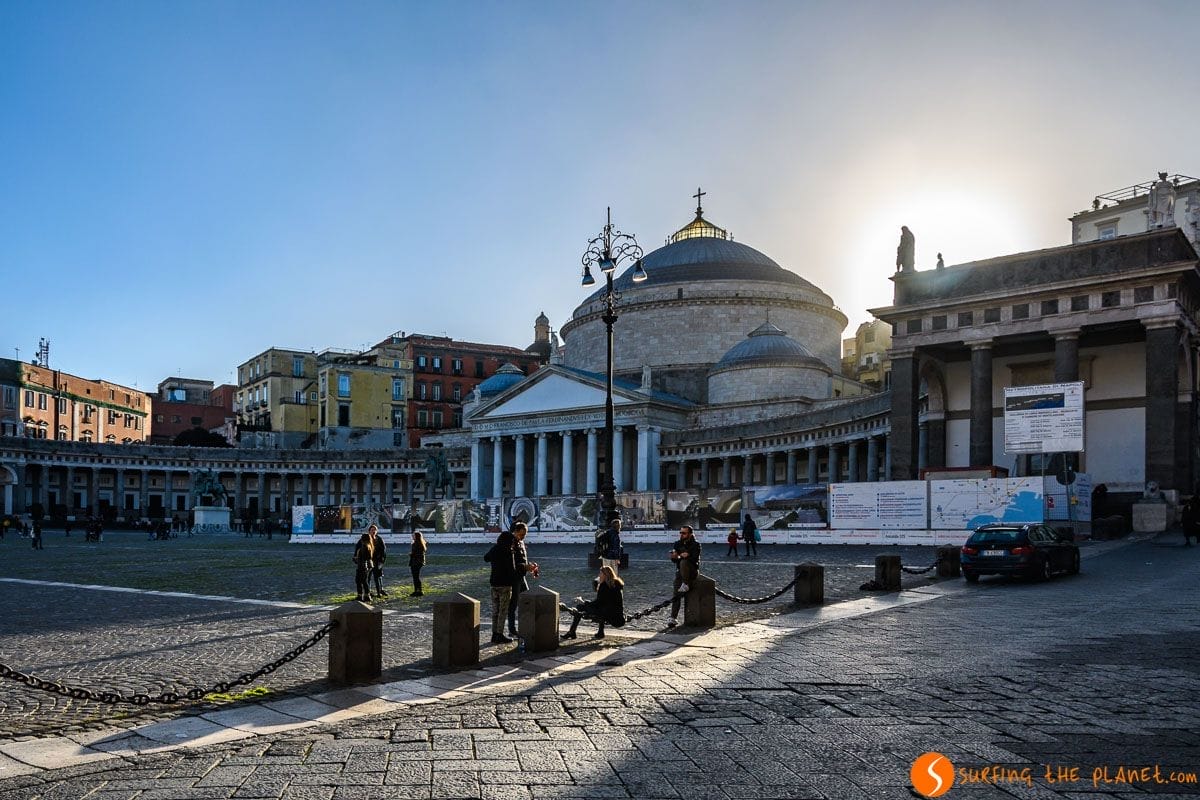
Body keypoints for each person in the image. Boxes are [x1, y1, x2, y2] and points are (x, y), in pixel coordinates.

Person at [562, 565, 625, 640]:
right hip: (617, 615)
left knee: (579, 607)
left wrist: (582, 602)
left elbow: (598, 603)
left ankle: (572, 632)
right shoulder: (617, 584)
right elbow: (604, 602)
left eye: (600, 573)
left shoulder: (604, 586)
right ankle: (600, 632)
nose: (599, 575)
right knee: (597, 606)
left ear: (605, 575)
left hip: (608, 615)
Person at [484, 530, 517, 644]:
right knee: (503, 611)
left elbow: (486, 558)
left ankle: (494, 634)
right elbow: (512, 570)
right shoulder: (508, 551)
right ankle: (500, 634)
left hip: (494, 583)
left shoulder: (495, 549)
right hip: (505, 585)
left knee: (495, 611)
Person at [507, 522, 539, 638]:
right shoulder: (511, 543)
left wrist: (530, 566)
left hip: (521, 576)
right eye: (521, 534)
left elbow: (522, 561)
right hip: (514, 577)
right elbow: (512, 563)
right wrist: (526, 566)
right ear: (515, 531)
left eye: (525, 535)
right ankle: (512, 630)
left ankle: (525, 624)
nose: (523, 537)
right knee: (513, 604)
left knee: (527, 599)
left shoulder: (520, 542)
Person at [667, 525, 701, 628]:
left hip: (692, 571)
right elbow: (676, 559)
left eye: (684, 533)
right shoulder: (677, 544)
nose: (682, 535)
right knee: (676, 594)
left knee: (684, 562)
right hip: (680, 573)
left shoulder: (696, 544)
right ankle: (673, 618)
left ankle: (686, 583)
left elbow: (695, 558)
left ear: (690, 534)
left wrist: (687, 555)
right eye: (681, 532)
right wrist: (674, 556)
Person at [352, 532, 375, 602]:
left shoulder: (364, 547)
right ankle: (366, 595)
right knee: (364, 581)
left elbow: (362, 558)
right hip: (367, 566)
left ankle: (360, 595)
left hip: (362, 566)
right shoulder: (369, 546)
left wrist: (355, 559)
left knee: (359, 581)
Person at [368, 525, 387, 597]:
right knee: (368, 577)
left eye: (375, 530)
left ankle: (380, 590)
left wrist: (382, 561)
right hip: (369, 561)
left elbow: (384, 551)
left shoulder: (379, 539)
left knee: (378, 576)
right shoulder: (366, 539)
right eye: (372, 530)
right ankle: (368, 591)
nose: (373, 531)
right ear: (369, 531)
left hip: (377, 561)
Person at [409, 529, 427, 596]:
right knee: (416, 577)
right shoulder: (420, 543)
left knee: (416, 577)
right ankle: (417, 590)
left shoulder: (416, 544)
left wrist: (411, 554)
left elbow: (417, 554)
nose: (412, 536)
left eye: (413, 535)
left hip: (416, 562)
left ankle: (418, 591)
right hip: (418, 562)